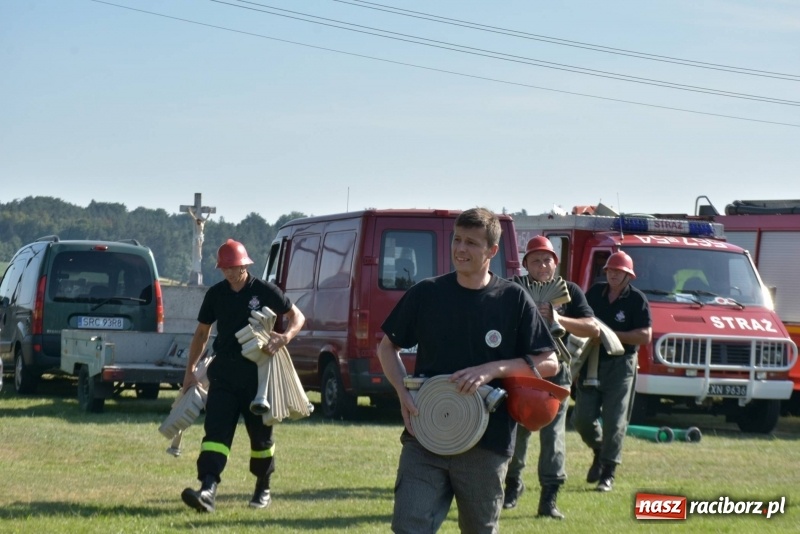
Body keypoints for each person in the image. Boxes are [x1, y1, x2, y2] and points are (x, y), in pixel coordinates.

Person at [377, 208, 559, 534]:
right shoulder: (427, 293)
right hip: (426, 435)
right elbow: (386, 347)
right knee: (408, 527)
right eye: (457, 239)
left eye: (472, 243)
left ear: (492, 251)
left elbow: (549, 361)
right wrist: (402, 394)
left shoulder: (512, 299)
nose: (460, 249)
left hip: (486, 443)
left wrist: (492, 369)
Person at [180, 239, 305, 513]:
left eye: (233, 267)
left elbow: (298, 317)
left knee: (261, 438)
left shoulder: (265, 290)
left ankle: (263, 487)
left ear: (245, 265)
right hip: (223, 375)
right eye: (224, 268)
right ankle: (207, 489)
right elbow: (202, 334)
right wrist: (190, 371)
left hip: (257, 377)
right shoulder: (215, 294)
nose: (228, 272)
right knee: (215, 433)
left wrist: (285, 337)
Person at [503, 236, 599, 518]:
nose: (543, 265)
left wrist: (558, 321)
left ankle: (549, 499)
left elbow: (592, 328)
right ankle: (512, 485)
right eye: (536, 260)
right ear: (525, 265)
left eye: (548, 260)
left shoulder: (569, 291)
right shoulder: (514, 289)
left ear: (556, 263)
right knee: (515, 433)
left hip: (557, 375)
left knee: (553, 438)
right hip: (522, 371)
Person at [571, 250, 652, 493]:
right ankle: (599, 450)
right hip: (591, 361)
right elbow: (580, 320)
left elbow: (645, 336)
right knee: (581, 419)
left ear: (629, 275)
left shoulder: (637, 300)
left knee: (615, 422)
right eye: (610, 270)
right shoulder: (595, 293)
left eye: (618, 271)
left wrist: (609, 335)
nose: (613, 274)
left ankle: (608, 472)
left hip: (621, 364)